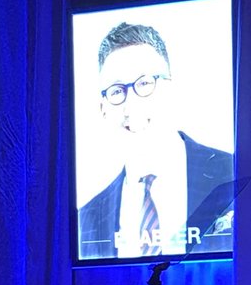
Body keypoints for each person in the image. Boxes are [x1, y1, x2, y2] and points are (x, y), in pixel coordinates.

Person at [77, 22, 234, 260]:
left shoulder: (232, 174)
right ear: (103, 109)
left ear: (171, 89)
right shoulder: (86, 219)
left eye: (144, 84)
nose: (131, 105)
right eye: (117, 91)